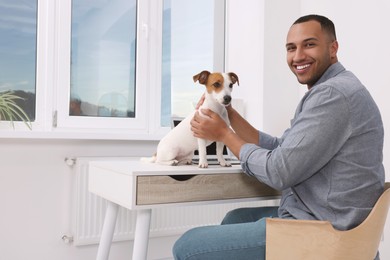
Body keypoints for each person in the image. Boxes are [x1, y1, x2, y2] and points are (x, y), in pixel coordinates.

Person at [172, 14, 385, 260]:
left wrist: (223, 134)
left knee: (186, 246)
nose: (298, 56)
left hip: (326, 232)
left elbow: (279, 171)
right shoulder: (333, 89)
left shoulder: (333, 95)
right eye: (291, 48)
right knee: (235, 218)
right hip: (322, 215)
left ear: (333, 48)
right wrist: (227, 113)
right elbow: (282, 148)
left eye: (309, 44)